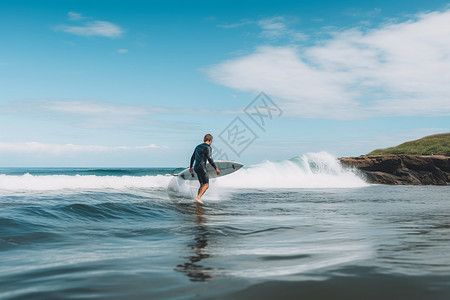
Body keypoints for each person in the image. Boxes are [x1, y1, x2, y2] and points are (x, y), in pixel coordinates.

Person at [189, 134, 220, 204]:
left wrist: (191, 166)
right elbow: (210, 158)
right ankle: (198, 198)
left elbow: (193, 157)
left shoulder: (198, 146)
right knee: (206, 184)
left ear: (204, 139)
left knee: (202, 184)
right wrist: (216, 168)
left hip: (196, 167)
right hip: (202, 167)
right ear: (210, 140)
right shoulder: (208, 147)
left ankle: (197, 199)